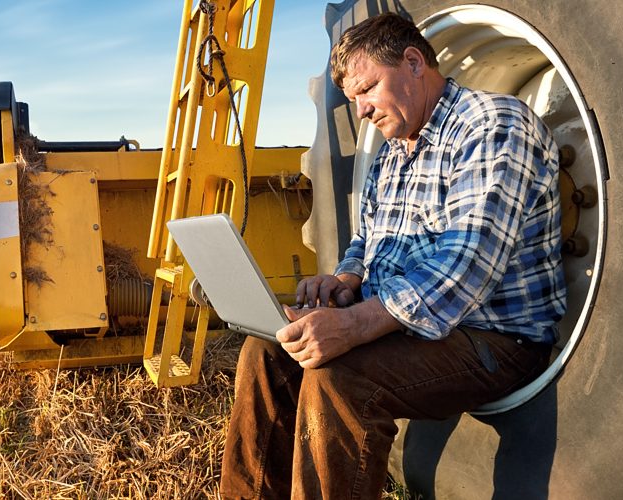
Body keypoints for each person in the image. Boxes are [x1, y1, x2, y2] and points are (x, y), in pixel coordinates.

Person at [220, 13, 567, 499]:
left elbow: (465, 266)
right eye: (353, 99)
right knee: (266, 353)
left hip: (492, 338)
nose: (361, 110)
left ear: (413, 63)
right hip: (413, 328)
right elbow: (367, 239)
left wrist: (353, 325)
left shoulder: (492, 125)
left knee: (337, 377)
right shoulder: (392, 153)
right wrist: (346, 280)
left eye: (368, 89)